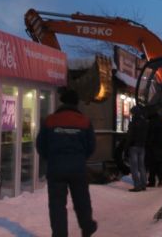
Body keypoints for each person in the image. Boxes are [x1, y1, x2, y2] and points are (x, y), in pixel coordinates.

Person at [36, 87, 98, 237]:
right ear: (76, 104)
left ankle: (59, 234)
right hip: (78, 168)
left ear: (62, 103)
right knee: (81, 199)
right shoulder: (84, 121)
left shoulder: (50, 120)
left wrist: (50, 158)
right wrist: (81, 158)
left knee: (57, 204)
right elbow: (91, 146)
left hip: (56, 168)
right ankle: (87, 226)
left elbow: (40, 144)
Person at [125, 105, 149, 192]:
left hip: (134, 146)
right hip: (142, 146)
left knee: (134, 167)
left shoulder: (133, 123)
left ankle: (137, 186)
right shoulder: (145, 122)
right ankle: (143, 185)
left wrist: (126, 147)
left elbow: (130, 136)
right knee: (142, 166)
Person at [146, 107, 162, 187]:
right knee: (158, 162)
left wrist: (148, 143)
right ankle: (159, 179)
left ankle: (153, 181)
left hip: (154, 145)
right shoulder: (161, 121)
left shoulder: (152, 122)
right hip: (160, 145)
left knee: (153, 163)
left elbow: (151, 135)